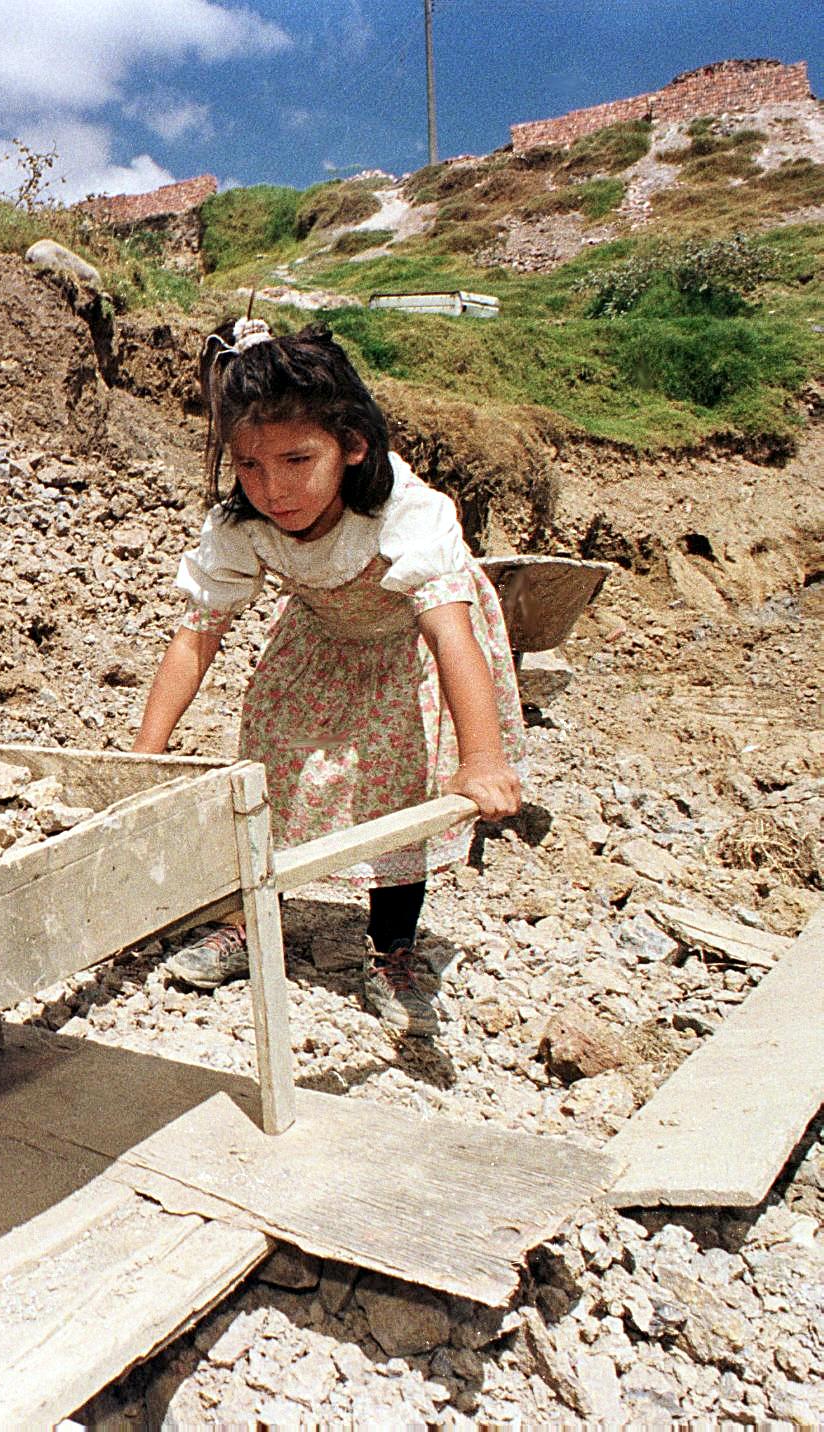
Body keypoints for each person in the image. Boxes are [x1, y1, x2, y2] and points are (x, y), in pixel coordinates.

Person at [133, 316, 524, 1037]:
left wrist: (483, 759)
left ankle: (394, 951)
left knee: (396, 781)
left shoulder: (404, 511)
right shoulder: (241, 524)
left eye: (295, 461)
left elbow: (448, 630)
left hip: (414, 641)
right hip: (320, 639)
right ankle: (247, 922)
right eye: (249, 466)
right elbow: (197, 636)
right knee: (269, 763)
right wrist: (143, 757)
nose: (273, 488)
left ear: (351, 446)